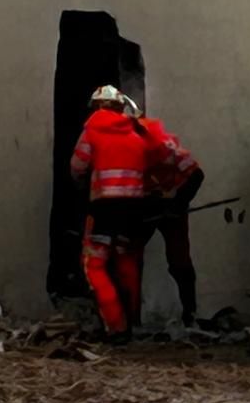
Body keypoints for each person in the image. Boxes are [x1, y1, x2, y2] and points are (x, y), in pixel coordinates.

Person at [70, 85, 161, 343]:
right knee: (127, 261)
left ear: (97, 107)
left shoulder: (92, 130)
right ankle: (132, 322)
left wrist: (81, 186)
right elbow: (152, 168)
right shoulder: (136, 132)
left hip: (103, 208)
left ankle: (116, 327)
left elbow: (77, 166)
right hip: (133, 209)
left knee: (95, 265)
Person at [137, 116, 205, 326]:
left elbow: (196, 175)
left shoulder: (169, 149)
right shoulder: (129, 148)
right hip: (145, 204)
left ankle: (190, 314)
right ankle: (129, 317)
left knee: (180, 260)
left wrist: (178, 204)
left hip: (172, 204)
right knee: (130, 256)